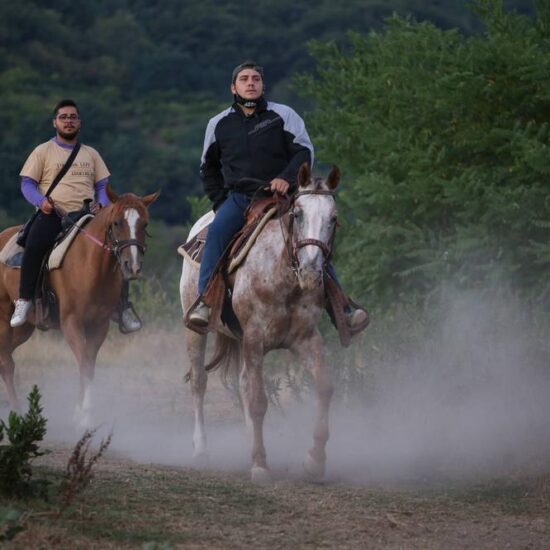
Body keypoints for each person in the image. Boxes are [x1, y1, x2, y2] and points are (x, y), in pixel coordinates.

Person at [188, 61, 367, 332]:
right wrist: (220, 201)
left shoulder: (284, 115)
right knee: (216, 234)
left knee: (313, 239)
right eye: (245, 79)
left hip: (285, 198)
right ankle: (206, 301)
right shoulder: (218, 124)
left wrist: (286, 177)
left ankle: (342, 308)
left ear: (263, 85)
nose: (251, 83)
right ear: (233, 87)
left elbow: (303, 152)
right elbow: (207, 168)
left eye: (256, 79)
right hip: (241, 198)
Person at [10, 99, 142, 333]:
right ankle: (25, 299)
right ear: (55, 122)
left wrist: (101, 204)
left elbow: (102, 186)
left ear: (79, 123)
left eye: (73, 117)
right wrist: (42, 203)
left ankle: (122, 308)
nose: (68, 121)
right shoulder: (43, 151)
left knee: (116, 249)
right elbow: (27, 185)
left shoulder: (91, 154)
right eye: (64, 117)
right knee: (35, 245)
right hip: (53, 213)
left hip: (87, 215)